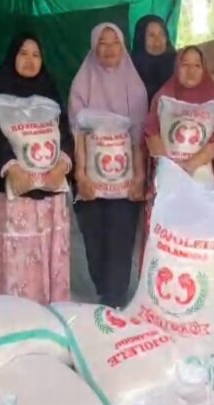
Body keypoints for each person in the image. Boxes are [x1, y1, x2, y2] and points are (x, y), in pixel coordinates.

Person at [0, 33, 73, 304]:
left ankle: (49, 309)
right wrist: (12, 167)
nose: (30, 60)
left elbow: (65, 134)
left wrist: (62, 165)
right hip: (13, 192)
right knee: (16, 253)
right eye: (23, 53)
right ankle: (11, 312)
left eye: (36, 55)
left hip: (50, 190)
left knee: (48, 250)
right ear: (12, 57)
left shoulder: (50, 93)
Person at [69, 23, 147, 308]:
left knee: (121, 236)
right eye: (103, 42)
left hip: (125, 181)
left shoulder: (134, 86)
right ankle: (104, 289)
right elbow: (77, 133)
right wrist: (80, 176)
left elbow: (139, 136)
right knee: (94, 237)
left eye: (115, 42)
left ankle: (116, 297)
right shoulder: (81, 84)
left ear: (123, 46)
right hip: (91, 178)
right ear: (94, 47)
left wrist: (139, 177)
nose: (110, 49)